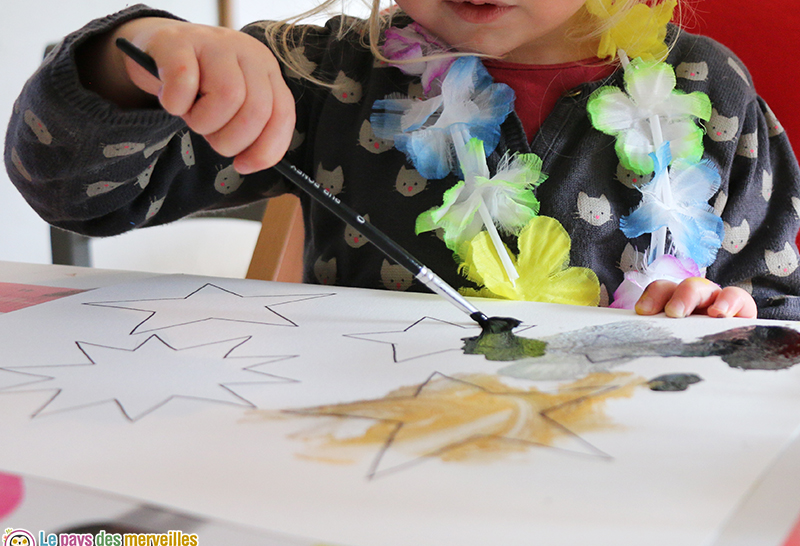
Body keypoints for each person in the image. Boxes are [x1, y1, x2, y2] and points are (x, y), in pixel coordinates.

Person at [5, 0, 800, 319]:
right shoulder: (326, 78)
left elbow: (780, 319)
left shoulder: (711, 93)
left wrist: (724, 319)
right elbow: (74, 190)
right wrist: (138, 57)